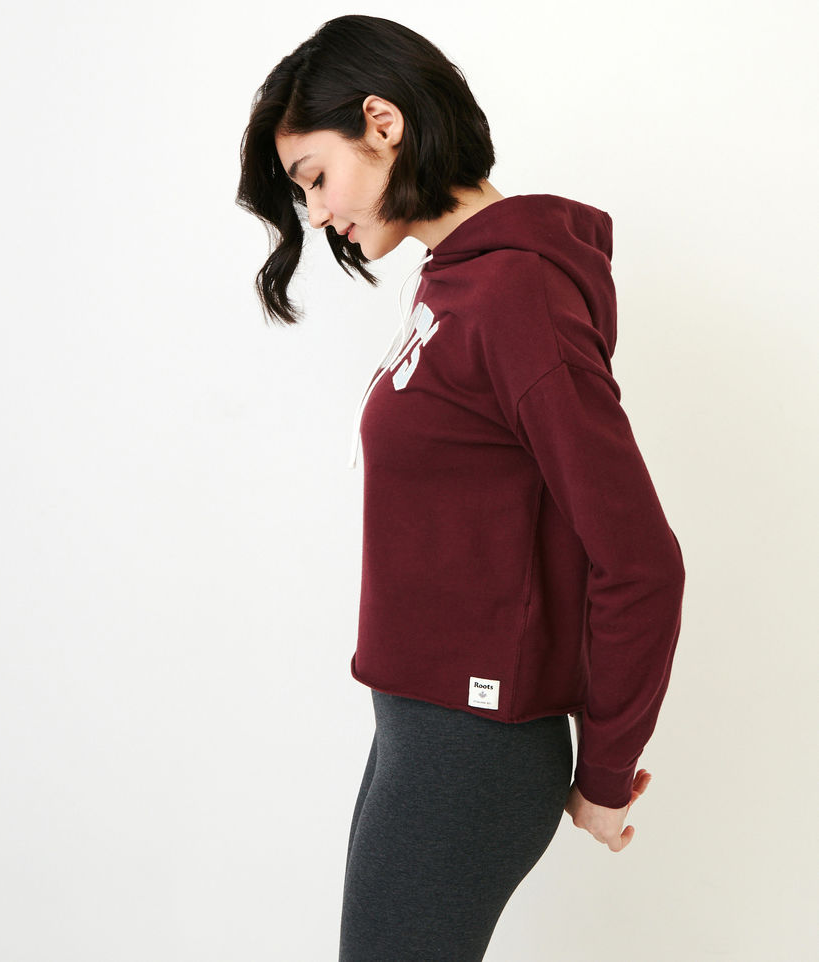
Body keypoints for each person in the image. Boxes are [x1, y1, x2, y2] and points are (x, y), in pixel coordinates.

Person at [236, 14, 686, 962]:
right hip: (423, 728)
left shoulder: (517, 294)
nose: (315, 214)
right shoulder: (455, 282)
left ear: (382, 122)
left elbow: (640, 557)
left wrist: (607, 770)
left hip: (474, 742)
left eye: (315, 177)